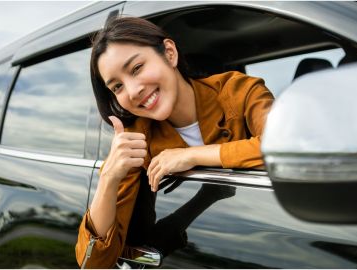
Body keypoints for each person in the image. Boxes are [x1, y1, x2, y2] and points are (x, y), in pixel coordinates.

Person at [75, 16, 274, 268]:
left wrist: (193, 156)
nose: (133, 90)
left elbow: (287, 150)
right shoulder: (137, 140)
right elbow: (93, 264)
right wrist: (109, 177)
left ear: (169, 53)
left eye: (136, 68)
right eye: (117, 87)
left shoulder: (239, 90)